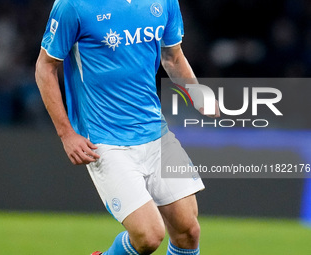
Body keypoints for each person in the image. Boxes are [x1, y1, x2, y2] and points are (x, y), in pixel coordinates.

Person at [35, 0, 220, 254]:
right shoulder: (73, 5)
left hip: (156, 133)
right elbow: (45, 67)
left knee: (188, 232)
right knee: (149, 235)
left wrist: (198, 95)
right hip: (105, 140)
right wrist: (66, 133)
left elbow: (173, 56)